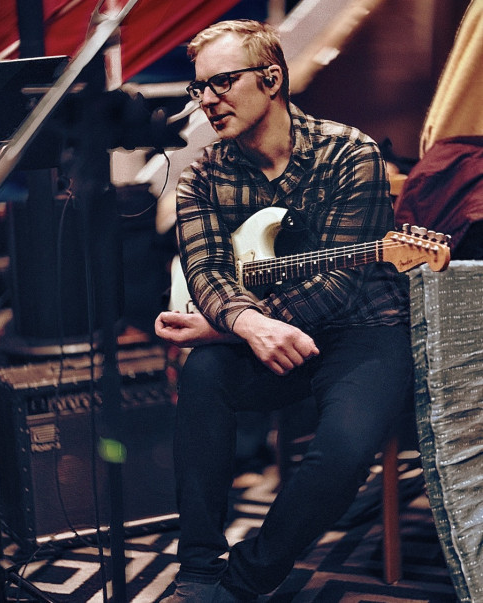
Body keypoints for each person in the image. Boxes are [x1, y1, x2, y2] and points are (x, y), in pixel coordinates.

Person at [155, 19, 413, 602]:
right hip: (260, 330)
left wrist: (229, 328)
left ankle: (245, 580)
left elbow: (339, 284)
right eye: (199, 87)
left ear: (271, 79)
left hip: (363, 327)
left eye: (222, 82)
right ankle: (197, 569)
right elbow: (206, 272)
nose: (207, 100)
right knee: (202, 378)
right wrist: (246, 326)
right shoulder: (202, 174)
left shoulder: (351, 153)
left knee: (345, 449)